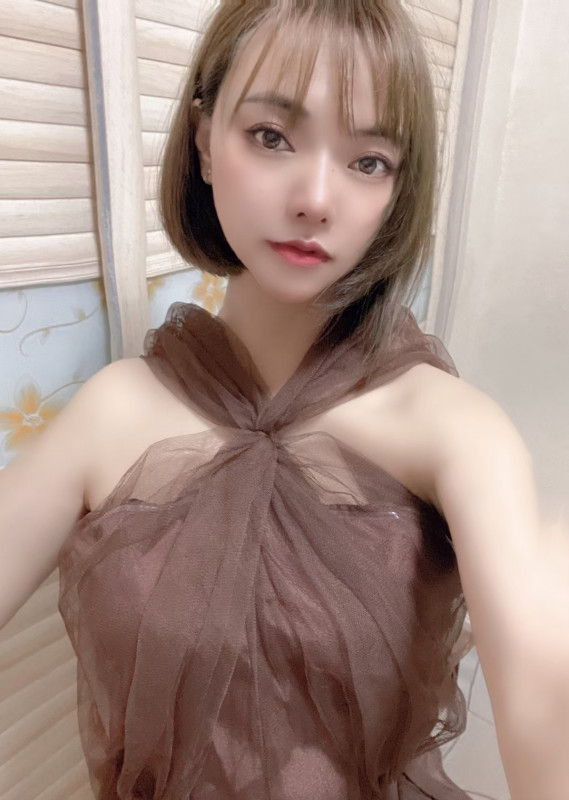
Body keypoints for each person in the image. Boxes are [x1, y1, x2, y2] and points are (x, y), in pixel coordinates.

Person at [2, 2, 568, 799]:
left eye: (368, 161)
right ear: (204, 139)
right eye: (271, 136)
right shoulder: (113, 412)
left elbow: (539, 700)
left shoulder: (450, 432)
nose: (315, 198)